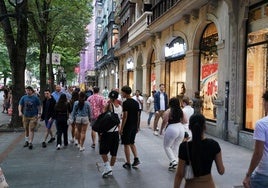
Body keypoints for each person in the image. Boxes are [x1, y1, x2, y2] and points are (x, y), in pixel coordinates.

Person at [174, 114, 225, 188]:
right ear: (205, 127)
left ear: (189, 127)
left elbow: (179, 174)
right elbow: (221, 171)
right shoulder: (214, 145)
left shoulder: (184, 146)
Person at [243, 91, 268, 188]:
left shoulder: (261, 124)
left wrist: (248, 174)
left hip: (264, 174)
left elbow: (258, 153)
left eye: (264, 103)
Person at [100, 90, 122, 178]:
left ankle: (108, 168)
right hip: (116, 131)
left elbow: (103, 117)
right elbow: (119, 119)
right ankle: (110, 170)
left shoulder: (108, 105)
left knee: (103, 151)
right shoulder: (120, 107)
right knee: (114, 153)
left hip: (107, 131)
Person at [161, 97, 186, 170]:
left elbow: (164, 121)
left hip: (172, 128)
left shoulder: (169, 111)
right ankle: (174, 162)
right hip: (181, 128)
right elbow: (185, 121)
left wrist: (161, 129)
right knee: (176, 145)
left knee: (167, 146)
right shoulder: (181, 111)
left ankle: (173, 160)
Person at [120, 85, 140, 169]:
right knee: (132, 142)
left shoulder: (125, 103)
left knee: (126, 144)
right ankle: (136, 158)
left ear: (125, 93)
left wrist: (121, 128)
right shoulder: (136, 102)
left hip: (127, 126)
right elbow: (138, 116)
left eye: (122, 92)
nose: (121, 94)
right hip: (134, 125)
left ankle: (128, 162)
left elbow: (125, 116)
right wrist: (138, 126)